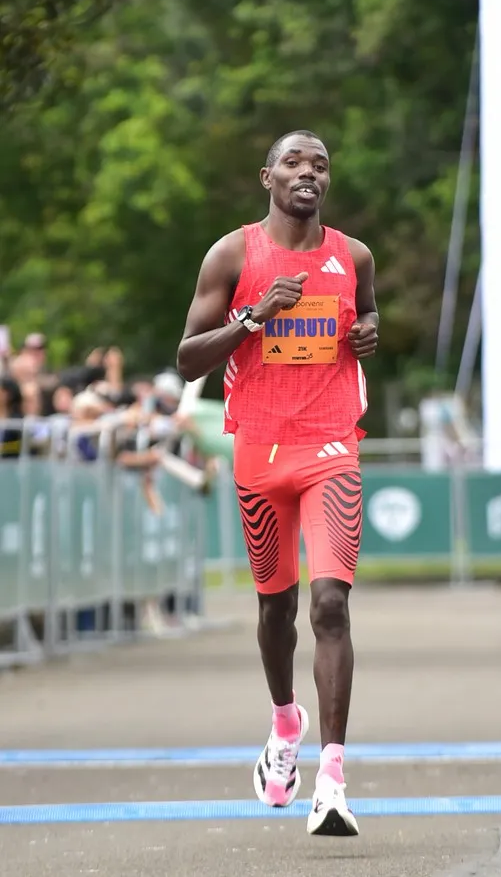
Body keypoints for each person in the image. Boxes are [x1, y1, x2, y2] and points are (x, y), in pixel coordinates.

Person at [177, 130, 378, 836]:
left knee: (330, 606)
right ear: (268, 177)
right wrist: (251, 317)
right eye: (294, 162)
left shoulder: (352, 256)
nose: (309, 173)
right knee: (276, 611)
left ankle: (333, 781)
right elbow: (186, 359)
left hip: (331, 448)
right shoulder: (233, 255)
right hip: (259, 453)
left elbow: (366, 312)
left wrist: (368, 332)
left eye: (320, 164)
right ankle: (284, 722)